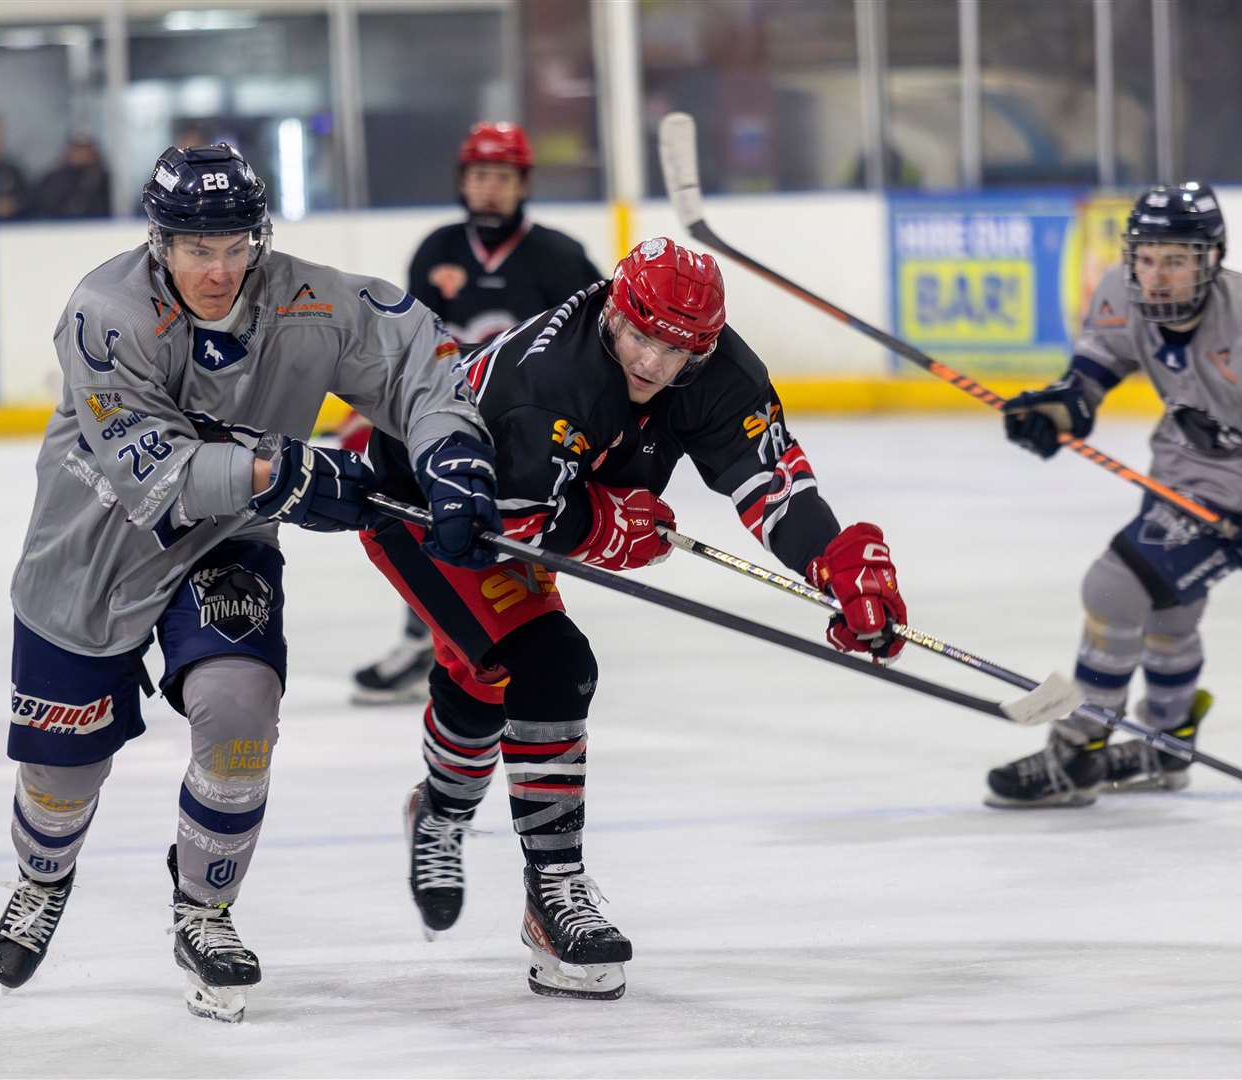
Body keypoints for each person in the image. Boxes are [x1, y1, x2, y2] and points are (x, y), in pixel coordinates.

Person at [0, 143, 496, 1022]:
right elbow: (150, 468)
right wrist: (280, 475)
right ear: (159, 242)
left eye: (235, 246)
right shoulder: (104, 313)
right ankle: (43, 878)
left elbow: (415, 349)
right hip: (89, 556)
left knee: (239, 712)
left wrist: (451, 453)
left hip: (221, 548)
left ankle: (205, 910)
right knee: (62, 777)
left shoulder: (303, 297)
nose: (218, 269)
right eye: (196, 249)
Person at [360, 237, 913, 1000]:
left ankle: (439, 813)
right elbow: (512, 525)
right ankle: (552, 893)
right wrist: (601, 526)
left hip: (522, 500)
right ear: (614, 311)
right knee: (550, 665)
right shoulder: (547, 383)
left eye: (679, 349)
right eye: (641, 336)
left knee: (489, 672)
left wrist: (836, 565)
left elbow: (774, 484)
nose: (654, 362)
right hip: (427, 508)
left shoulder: (715, 369)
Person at [984, 182, 1242, 808]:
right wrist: (1057, 411)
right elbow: (1092, 373)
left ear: (1211, 261)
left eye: (1176, 260)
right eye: (1146, 257)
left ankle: (1076, 750)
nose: (1156, 276)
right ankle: (1166, 743)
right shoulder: (1120, 292)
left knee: (1114, 587)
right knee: (1168, 611)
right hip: (1182, 463)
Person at [349, 120, 603, 706]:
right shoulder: (438, 250)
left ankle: (517, 645)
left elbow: (596, 349)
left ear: (523, 184)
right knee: (430, 524)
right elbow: (410, 346)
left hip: (530, 437)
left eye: (502, 176)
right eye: (480, 175)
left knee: (512, 546)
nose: (490, 188)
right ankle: (428, 640)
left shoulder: (560, 258)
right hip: (448, 424)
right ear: (464, 181)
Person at [31, 134, 112, 220]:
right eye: (77, 148)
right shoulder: (53, 178)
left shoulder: (102, 180)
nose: (80, 153)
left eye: (85, 148)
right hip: (56, 228)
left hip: (92, 228)